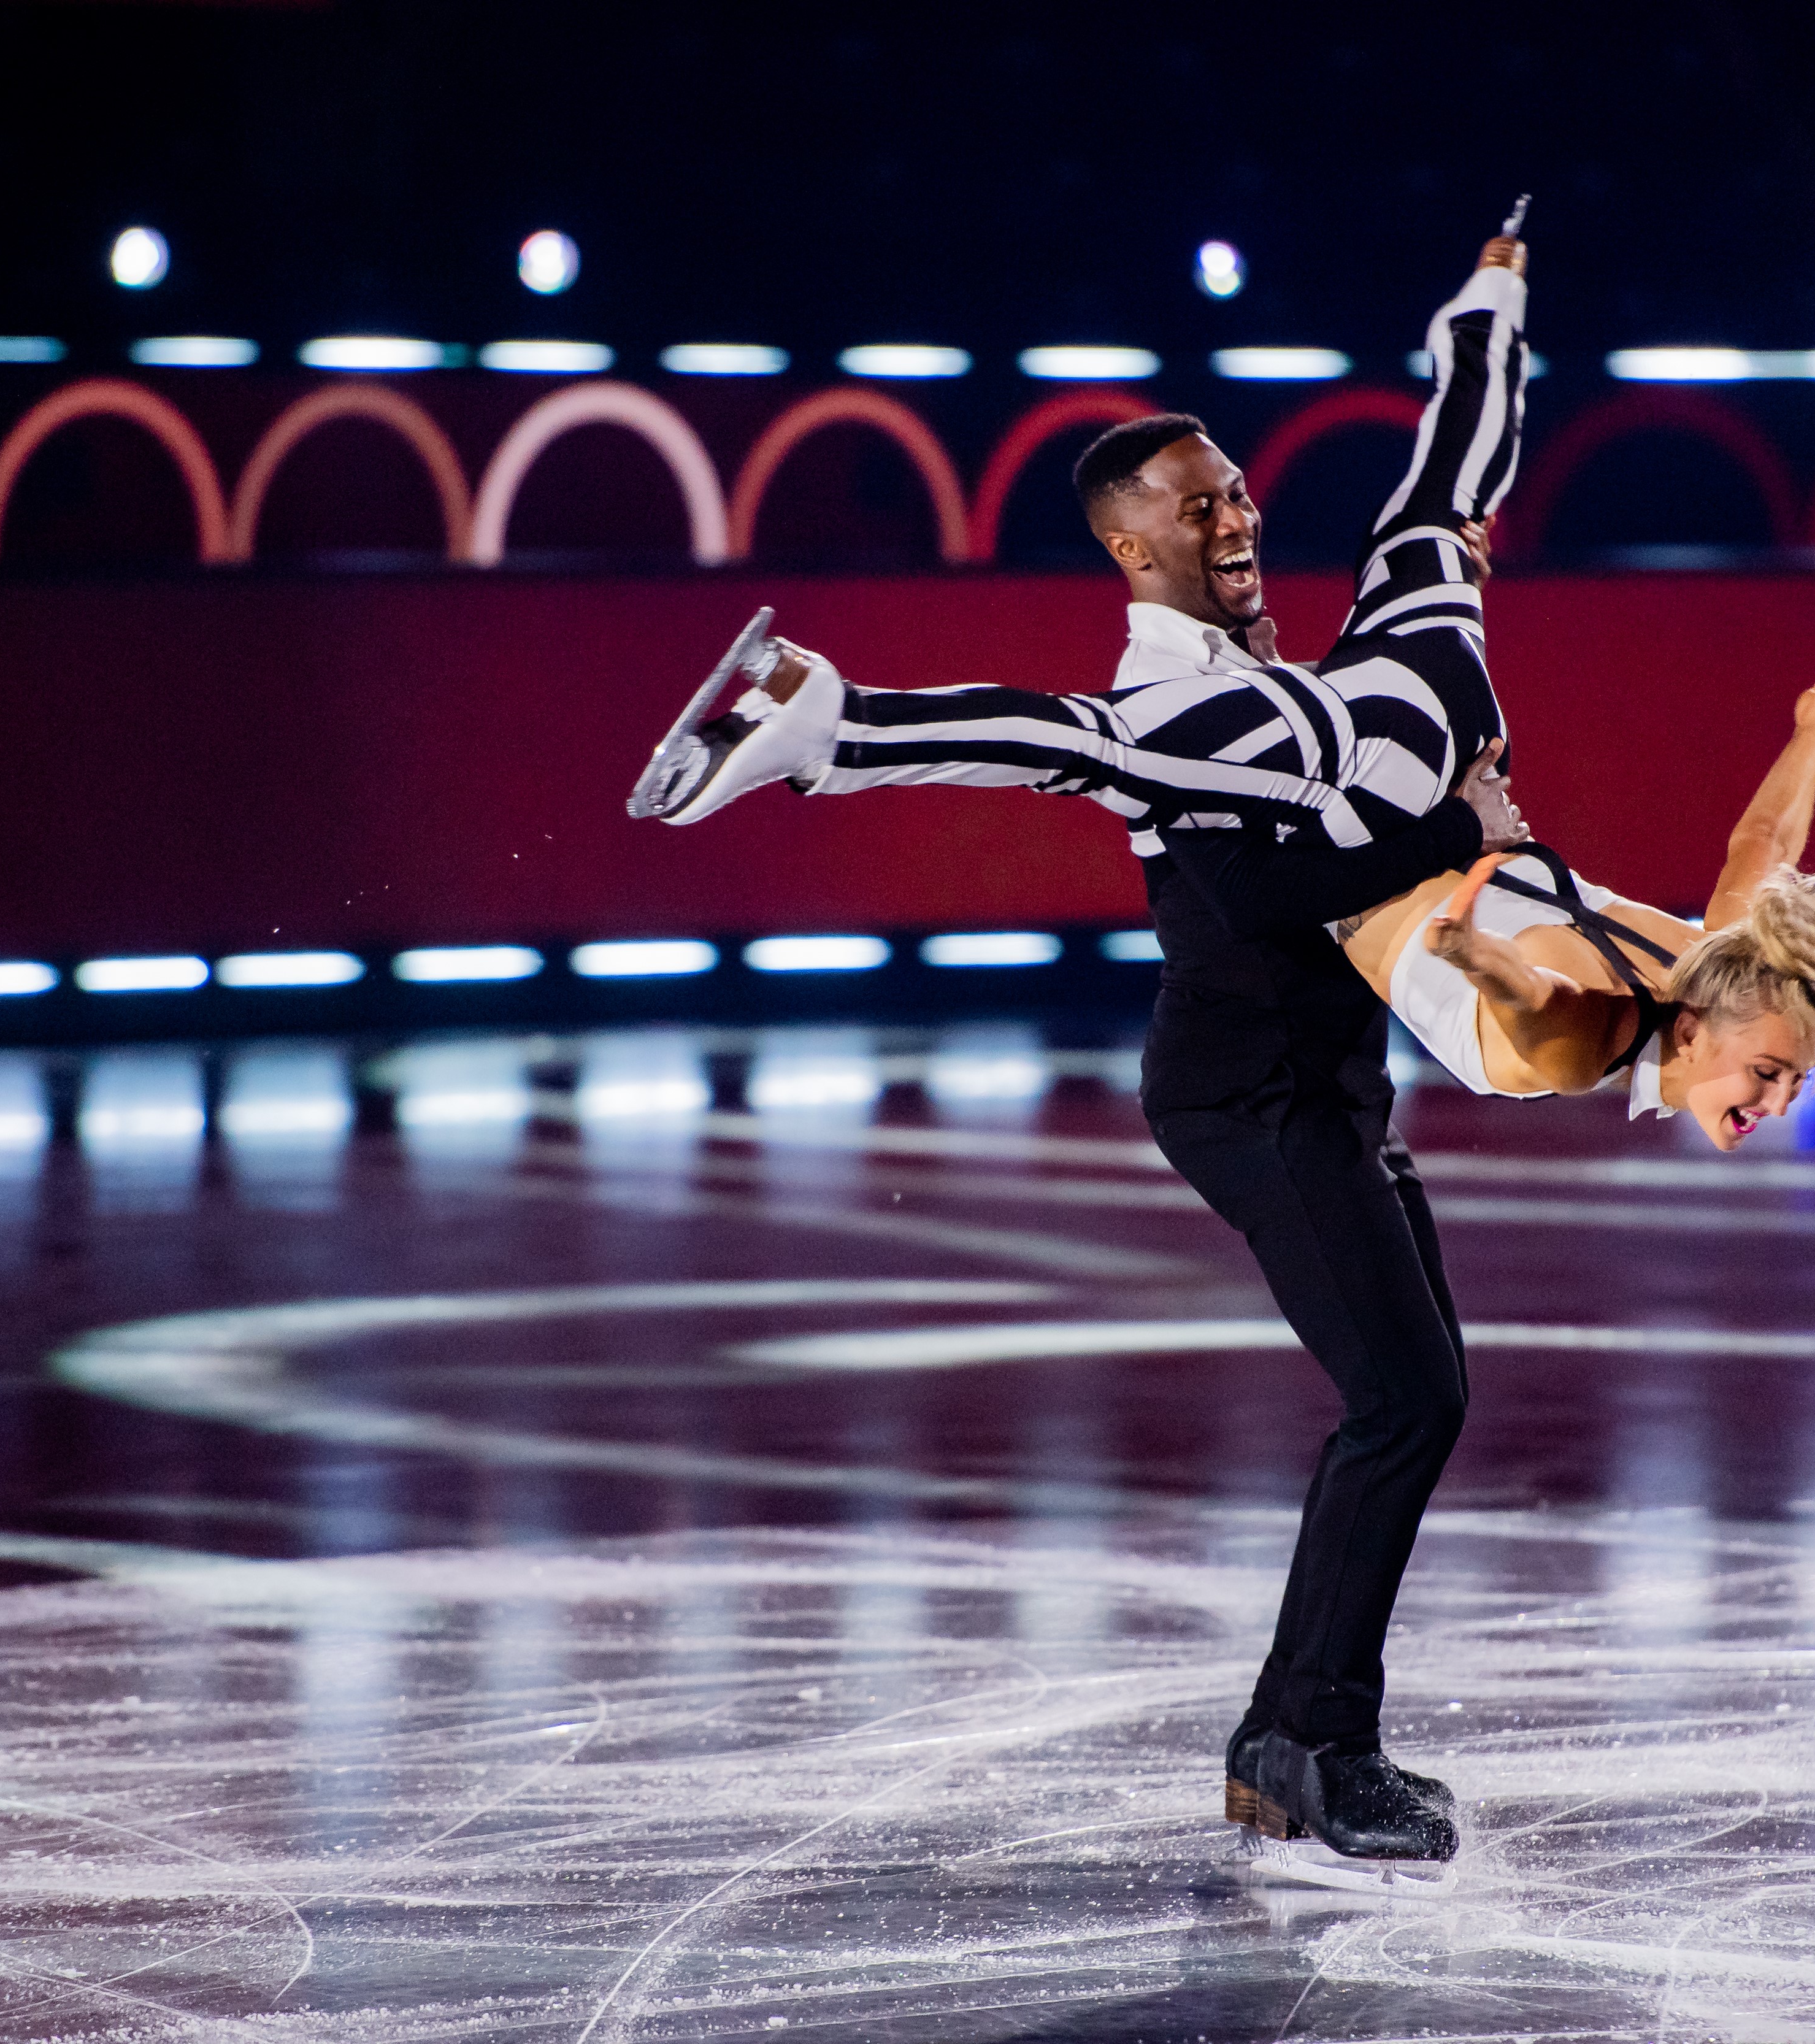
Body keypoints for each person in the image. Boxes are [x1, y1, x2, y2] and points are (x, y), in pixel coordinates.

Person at [629, 225, 1540, 1869]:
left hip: (1328, 1081)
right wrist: (833, 725)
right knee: (1402, 1398)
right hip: (1240, 1092)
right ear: (1133, 551)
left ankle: (1287, 1737)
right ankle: (1311, 1740)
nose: (1236, 518)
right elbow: (1031, 739)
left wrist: (1483, 315)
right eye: (1197, 507)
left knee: (1421, 1395)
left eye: (1239, 492)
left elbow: (1443, 480)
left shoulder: (1320, 695)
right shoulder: (1165, 712)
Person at [1348, 624, 1815, 1143]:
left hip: (1388, 825)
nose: (1781, 1105)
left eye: (1797, 1080)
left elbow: (1532, 991)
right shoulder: (1635, 1020)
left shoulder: (1687, 986)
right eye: (1769, 1072)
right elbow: (1534, 993)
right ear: (1689, 1034)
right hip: (1375, 831)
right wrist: (1470, 955)